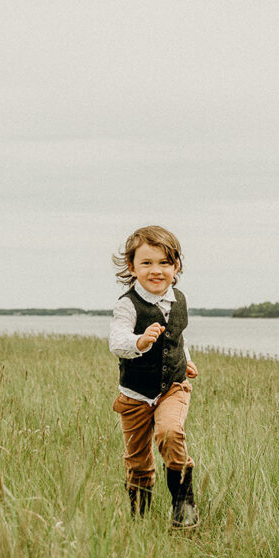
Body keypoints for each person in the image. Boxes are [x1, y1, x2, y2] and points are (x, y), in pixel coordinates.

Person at [109, 225, 200, 528]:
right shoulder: (127, 304)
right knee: (137, 461)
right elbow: (117, 341)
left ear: (176, 267)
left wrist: (186, 361)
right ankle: (140, 519)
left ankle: (183, 505)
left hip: (173, 387)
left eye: (164, 263)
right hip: (135, 395)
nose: (156, 270)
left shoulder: (180, 300)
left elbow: (178, 338)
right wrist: (140, 341)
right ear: (132, 267)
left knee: (170, 432)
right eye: (146, 263)